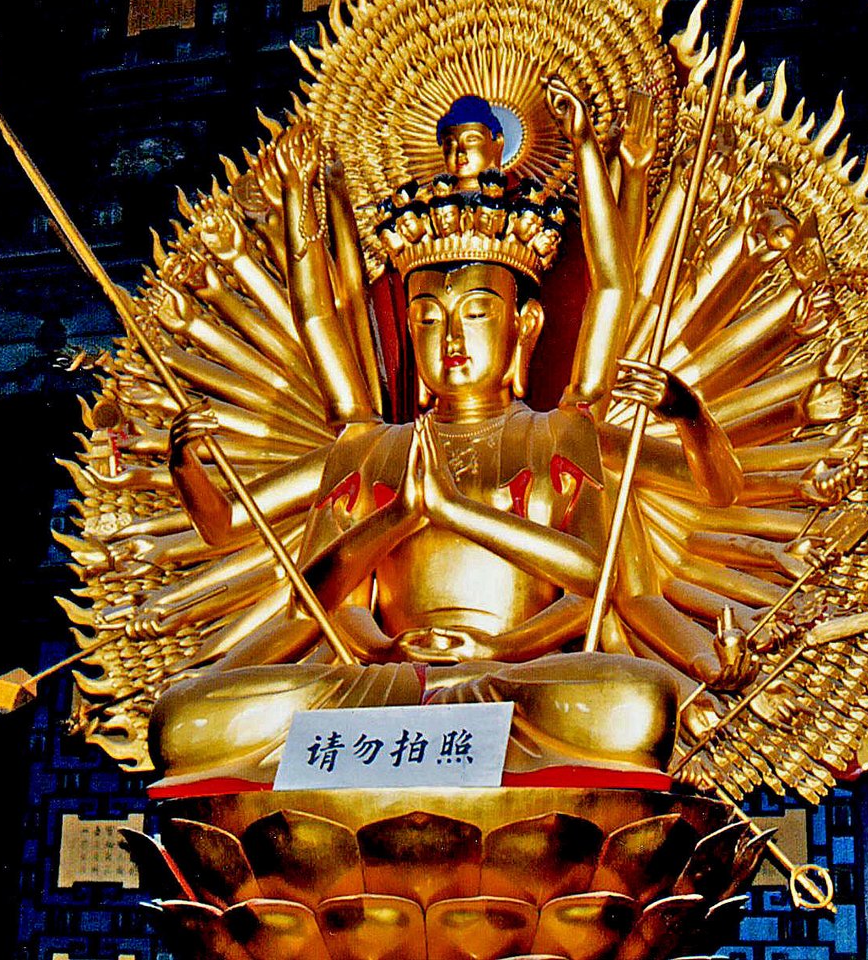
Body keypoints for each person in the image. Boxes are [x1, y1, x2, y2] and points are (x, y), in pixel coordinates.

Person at [141, 80, 753, 787]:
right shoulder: (370, 448)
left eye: (475, 315)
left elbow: (598, 578)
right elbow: (313, 592)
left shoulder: (562, 434)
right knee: (186, 719)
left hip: (517, 677)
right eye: (428, 319)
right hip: (381, 684)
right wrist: (189, 469)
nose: (450, 339)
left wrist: (690, 417)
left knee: (628, 705)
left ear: (525, 327)